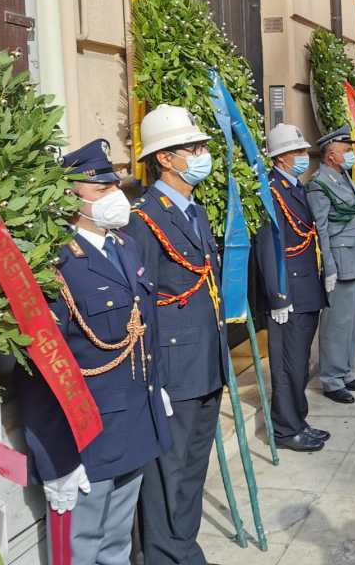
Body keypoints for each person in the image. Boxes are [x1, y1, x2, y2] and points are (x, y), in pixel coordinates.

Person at [19, 139, 171, 565]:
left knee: (117, 544)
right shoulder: (54, 264)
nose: (114, 196)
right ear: (71, 196)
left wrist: (155, 392)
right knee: (81, 549)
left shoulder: (125, 247)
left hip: (134, 424)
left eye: (113, 186)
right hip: (86, 438)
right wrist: (57, 460)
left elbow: (144, 329)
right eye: (100, 189)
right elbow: (41, 372)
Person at [126, 105, 228, 565]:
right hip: (173, 366)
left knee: (192, 466)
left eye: (202, 146)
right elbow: (141, 302)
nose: (202, 154)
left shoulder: (195, 212)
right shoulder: (144, 217)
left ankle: (183, 546)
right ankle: (165, 554)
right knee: (168, 470)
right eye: (193, 147)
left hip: (206, 359)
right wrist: (154, 375)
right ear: (164, 159)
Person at [255, 123, 329, 452]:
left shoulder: (293, 186)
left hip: (306, 287)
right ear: (282, 158)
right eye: (298, 152)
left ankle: (298, 419)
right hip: (290, 293)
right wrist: (278, 295)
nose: (304, 156)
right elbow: (269, 247)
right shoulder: (271, 191)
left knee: (299, 362)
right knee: (287, 365)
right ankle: (286, 429)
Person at [306, 126, 355, 404]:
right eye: (346, 151)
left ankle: (344, 372)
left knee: (349, 322)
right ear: (331, 155)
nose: (351, 155)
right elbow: (320, 228)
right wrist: (329, 268)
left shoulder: (342, 177)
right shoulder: (319, 184)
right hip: (341, 261)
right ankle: (331, 379)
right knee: (336, 323)